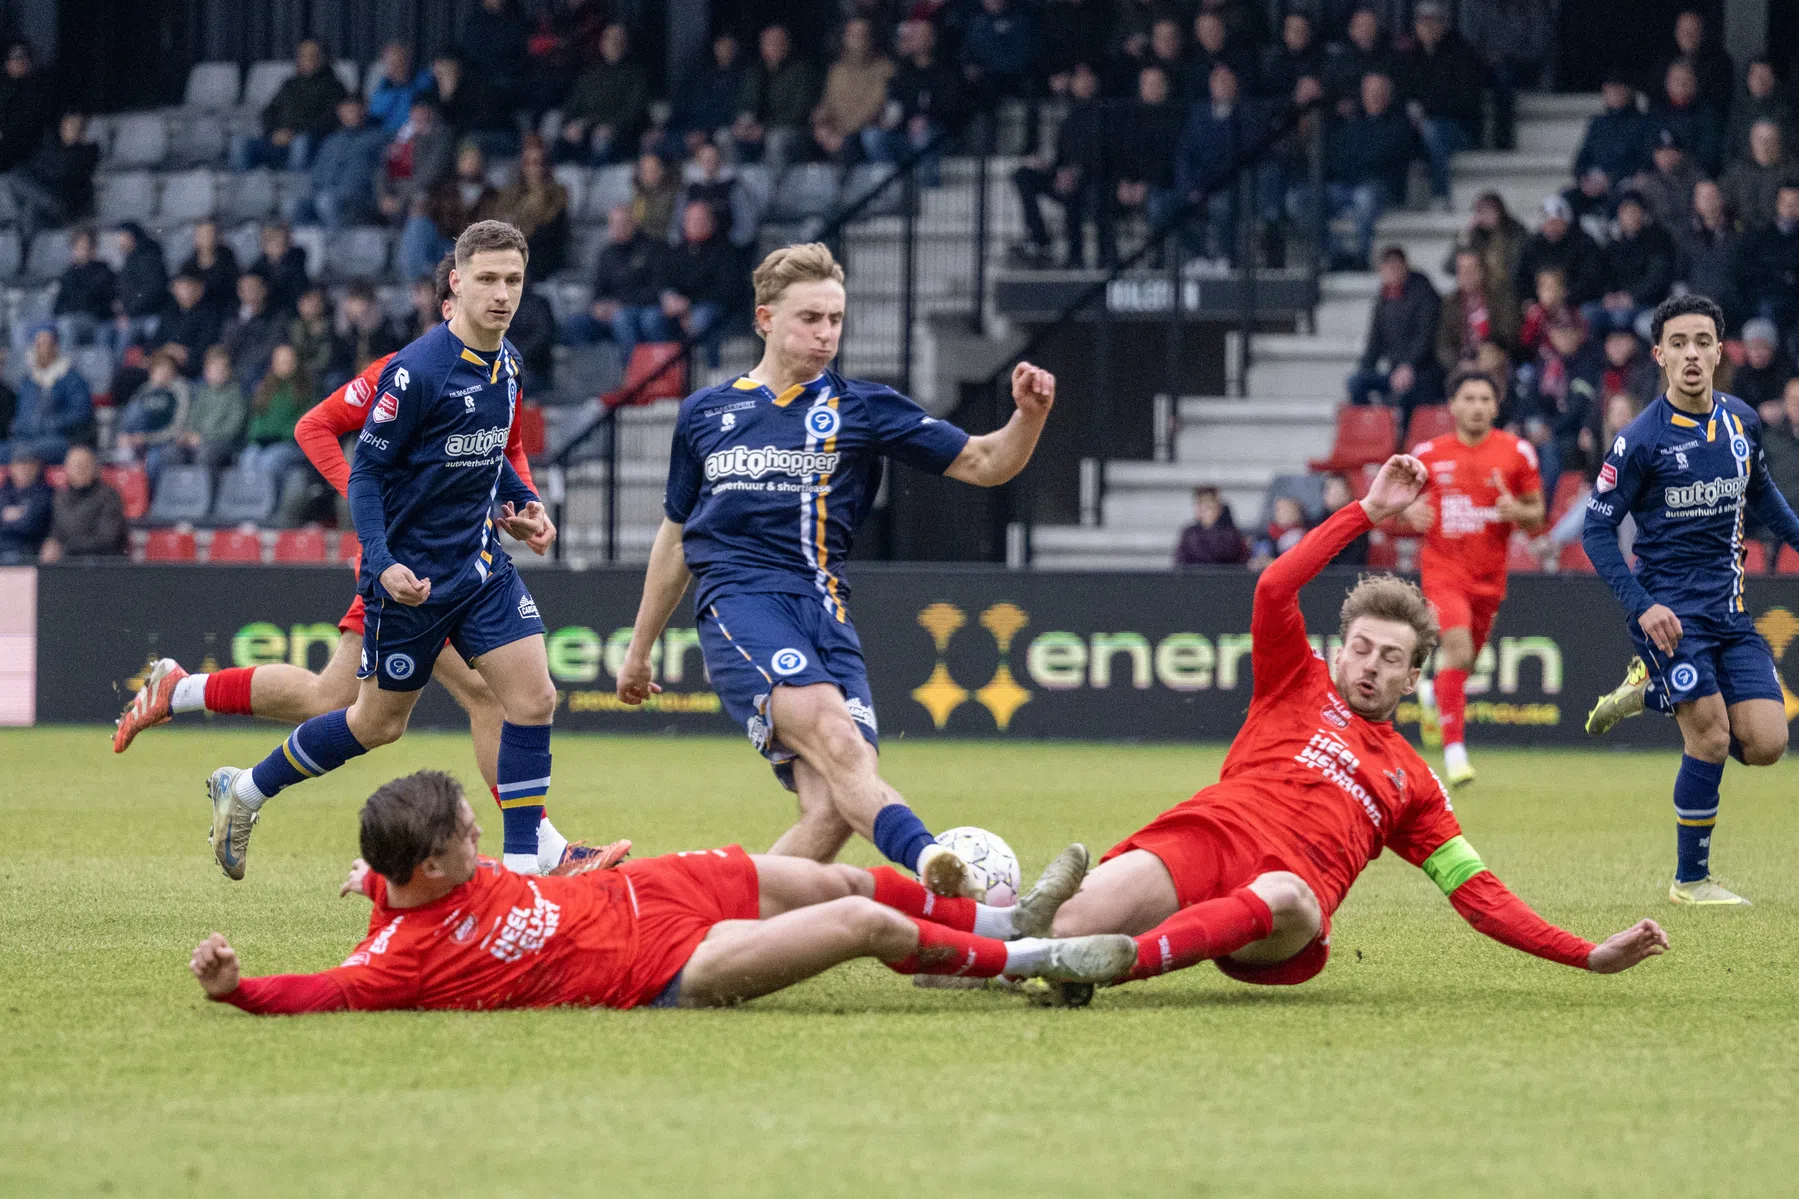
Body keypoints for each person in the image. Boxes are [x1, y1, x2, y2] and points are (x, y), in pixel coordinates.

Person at [1028, 454, 1667, 1004]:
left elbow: (1478, 893)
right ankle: (985, 957)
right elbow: (1275, 586)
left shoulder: (1414, 784)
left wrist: (1585, 954)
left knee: (1286, 892)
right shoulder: (1292, 678)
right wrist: (1368, 510)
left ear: (1413, 676)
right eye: (1360, 649)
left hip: (1282, 918)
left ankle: (1120, 961)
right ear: (1338, 653)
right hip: (1208, 837)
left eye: (1391, 659)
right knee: (1062, 927)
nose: (1370, 666)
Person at [117, 259, 598, 869]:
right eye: (482, 288)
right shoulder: (405, 373)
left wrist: (518, 502)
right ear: (448, 298)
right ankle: (544, 855)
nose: (497, 300)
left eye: (510, 285)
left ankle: (186, 698)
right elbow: (317, 427)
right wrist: (376, 516)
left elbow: (504, 445)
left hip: (458, 557)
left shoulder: (498, 367)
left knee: (352, 700)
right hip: (403, 562)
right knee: (427, 704)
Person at [617, 243, 1056, 898]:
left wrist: (1030, 414)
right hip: (742, 604)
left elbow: (985, 463)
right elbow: (675, 538)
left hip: (824, 612)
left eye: (835, 319)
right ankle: (940, 868)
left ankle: (713, 936)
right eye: (809, 318)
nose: (825, 334)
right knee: (838, 741)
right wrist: (640, 648)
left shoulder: (862, 408)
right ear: (765, 319)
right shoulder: (704, 413)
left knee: (834, 809)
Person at [188, 771, 1130, 1013]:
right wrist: (237, 986)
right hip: (662, 963)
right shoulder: (400, 959)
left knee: (839, 871)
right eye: (465, 834)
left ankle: (1001, 919)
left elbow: (389, 888)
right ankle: (1030, 959)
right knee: (859, 919)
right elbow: (322, 988)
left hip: (659, 886)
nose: (485, 834)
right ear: (429, 866)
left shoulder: (409, 885)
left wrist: (375, 883)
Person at [1582, 294, 1799, 905]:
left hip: (1730, 614)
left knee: (1766, 743)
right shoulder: (1639, 440)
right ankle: (1691, 881)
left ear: (1720, 351)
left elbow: (1765, 499)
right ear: (1659, 355)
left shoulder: (1741, 422)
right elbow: (1597, 531)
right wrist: (1642, 605)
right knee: (1709, 738)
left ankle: (1644, 692)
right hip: (1669, 620)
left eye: (1702, 341)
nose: (1691, 354)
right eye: (1678, 343)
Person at [1400, 370, 1544, 786]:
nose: (1477, 406)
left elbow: (1537, 516)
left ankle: (1432, 694)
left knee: (1464, 664)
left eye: (1485, 398)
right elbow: (1389, 502)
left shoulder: (1517, 452)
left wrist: (1518, 512)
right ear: (1453, 405)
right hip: (1443, 571)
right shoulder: (1427, 454)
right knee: (1458, 652)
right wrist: (1408, 512)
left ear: (1496, 406)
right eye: (1469, 398)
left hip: (1490, 577)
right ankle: (1455, 754)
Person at [1011, 62, 1104, 269]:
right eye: (1079, 79)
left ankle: (1075, 256)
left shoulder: (1104, 111)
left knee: (1075, 194)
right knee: (1022, 175)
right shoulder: (1065, 109)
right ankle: (1038, 235)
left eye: (1088, 79)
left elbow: (1100, 151)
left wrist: (1074, 171)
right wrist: (1045, 164)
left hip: (1090, 177)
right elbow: (1058, 148)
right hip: (1060, 172)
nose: (1084, 83)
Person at [1395, 1, 1484, 211]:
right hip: (1419, 126)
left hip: (1459, 129)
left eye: (1432, 22)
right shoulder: (1412, 57)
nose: (1427, 28)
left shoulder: (1462, 53)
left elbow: (1465, 101)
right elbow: (1404, 92)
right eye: (1422, 23)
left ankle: (1441, 195)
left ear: (1443, 24)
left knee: (1432, 131)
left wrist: (1426, 112)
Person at [1321, 72, 1413, 270]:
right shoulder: (1350, 123)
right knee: (1299, 199)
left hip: (1379, 188)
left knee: (1364, 197)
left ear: (1388, 94)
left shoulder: (1399, 123)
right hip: (1345, 187)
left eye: (1378, 91)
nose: (1373, 96)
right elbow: (1335, 159)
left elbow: (1384, 159)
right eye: (1369, 91)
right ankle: (1337, 253)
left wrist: (1357, 163)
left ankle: (1362, 258)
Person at [1346, 246, 1440, 425]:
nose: (1392, 273)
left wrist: (1409, 366)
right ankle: (1372, 431)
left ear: (1405, 267)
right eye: (1387, 269)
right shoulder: (1383, 299)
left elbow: (1425, 336)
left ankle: (1401, 441)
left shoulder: (1424, 295)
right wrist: (1365, 369)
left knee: (1405, 394)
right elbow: (1374, 342)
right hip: (1394, 371)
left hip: (1423, 372)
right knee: (1356, 383)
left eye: (1395, 267)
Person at [231, 40, 346, 172]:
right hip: (278, 140)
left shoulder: (335, 87)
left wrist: (294, 134)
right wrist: (274, 132)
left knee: (301, 143)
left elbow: (329, 120)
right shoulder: (290, 84)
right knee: (239, 143)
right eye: (302, 55)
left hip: (309, 143)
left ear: (323, 58)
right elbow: (268, 112)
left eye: (312, 55)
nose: (305, 60)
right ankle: (243, 188)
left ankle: (295, 188)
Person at [652, 201, 738, 368]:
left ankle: (701, 373)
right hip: (679, 307)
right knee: (652, 319)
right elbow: (663, 280)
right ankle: (665, 373)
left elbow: (728, 290)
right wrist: (670, 298)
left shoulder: (725, 251)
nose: (696, 224)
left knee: (700, 320)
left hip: (712, 306)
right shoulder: (676, 251)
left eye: (701, 220)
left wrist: (689, 304)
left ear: (712, 222)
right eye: (691, 220)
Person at [400, 140, 496, 281]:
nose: (470, 164)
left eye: (475, 159)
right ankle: (416, 285)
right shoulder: (444, 190)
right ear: (458, 163)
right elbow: (430, 212)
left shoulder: (492, 195)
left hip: (472, 251)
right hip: (444, 245)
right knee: (418, 223)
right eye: (466, 159)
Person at [288, 96, 388, 229]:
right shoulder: (331, 141)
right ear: (340, 113)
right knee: (294, 205)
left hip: (361, 201)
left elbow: (387, 171)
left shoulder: (380, 139)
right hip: (328, 197)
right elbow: (317, 175)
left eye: (356, 110)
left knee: (326, 202)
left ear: (365, 110)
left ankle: (336, 248)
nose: (353, 114)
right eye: (349, 110)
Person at [558, 22, 650, 166]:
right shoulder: (590, 74)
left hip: (617, 133)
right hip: (585, 129)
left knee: (600, 142)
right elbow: (572, 105)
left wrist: (613, 127)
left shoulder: (636, 75)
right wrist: (569, 125)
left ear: (625, 44)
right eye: (608, 38)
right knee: (559, 142)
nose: (613, 43)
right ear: (601, 43)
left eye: (617, 39)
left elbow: (634, 111)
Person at [733, 25, 821, 172]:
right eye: (769, 43)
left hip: (794, 131)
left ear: (788, 44)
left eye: (779, 42)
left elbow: (800, 113)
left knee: (776, 140)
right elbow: (746, 103)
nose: (775, 46)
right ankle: (733, 188)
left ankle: (775, 190)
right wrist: (742, 123)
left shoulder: (802, 71)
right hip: (757, 129)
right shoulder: (755, 72)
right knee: (726, 137)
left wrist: (765, 128)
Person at [8, 111, 99, 246]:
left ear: (82, 130)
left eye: (75, 126)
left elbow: (64, 175)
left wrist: (42, 180)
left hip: (67, 205)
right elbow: (32, 168)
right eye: (67, 124)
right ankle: (27, 255)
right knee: (25, 194)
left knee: (31, 201)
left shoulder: (88, 152)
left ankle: (26, 256)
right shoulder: (51, 147)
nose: (69, 128)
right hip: (47, 201)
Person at [1588, 191, 1675, 330]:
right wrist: (1609, 295)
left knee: (1620, 318)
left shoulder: (1658, 240)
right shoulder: (1613, 244)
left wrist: (1632, 297)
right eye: (1625, 212)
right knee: (1588, 315)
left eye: (1634, 210)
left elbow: (1656, 279)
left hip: (1647, 302)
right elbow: (1604, 275)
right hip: (1617, 302)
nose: (1630, 216)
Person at [5, 326, 93, 463]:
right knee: (10, 450)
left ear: (56, 346)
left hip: (59, 438)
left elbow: (81, 414)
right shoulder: (28, 381)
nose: (42, 349)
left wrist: (51, 423)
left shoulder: (72, 378)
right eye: (39, 344)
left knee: (30, 452)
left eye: (47, 343)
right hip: (26, 439)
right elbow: (22, 414)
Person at [488, 136, 569, 276]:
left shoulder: (557, 194)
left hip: (542, 257)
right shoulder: (511, 195)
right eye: (530, 163)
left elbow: (550, 229)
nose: (535, 169)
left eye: (540, 163)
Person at [812, 17, 891, 159]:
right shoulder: (836, 71)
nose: (858, 40)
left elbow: (875, 107)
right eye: (853, 35)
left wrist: (841, 134)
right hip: (835, 136)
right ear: (845, 38)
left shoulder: (885, 69)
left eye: (863, 35)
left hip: (861, 134)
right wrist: (821, 126)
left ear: (871, 39)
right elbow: (827, 105)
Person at [162, 345, 247, 473]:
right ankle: (177, 491)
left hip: (224, 444)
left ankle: (203, 492)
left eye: (221, 369)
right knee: (170, 452)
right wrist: (187, 435)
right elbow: (191, 419)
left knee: (205, 454)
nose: (218, 372)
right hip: (198, 441)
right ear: (206, 372)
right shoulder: (202, 394)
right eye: (214, 369)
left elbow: (232, 430)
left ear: (228, 371)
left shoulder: (236, 395)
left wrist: (203, 438)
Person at [375, 98, 455, 232]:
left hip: (425, 193)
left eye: (424, 110)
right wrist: (383, 196)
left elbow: (432, 173)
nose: (419, 114)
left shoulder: (442, 136)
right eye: (416, 110)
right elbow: (384, 170)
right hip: (397, 195)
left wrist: (401, 199)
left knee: (419, 202)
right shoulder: (402, 136)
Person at [38, 443, 124, 561]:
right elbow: (56, 531)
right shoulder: (60, 497)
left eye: (84, 465)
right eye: (74, 465)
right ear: (66, 469)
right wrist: (51, 543)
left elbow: (108, 538)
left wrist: (66, 547)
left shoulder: (108, 496)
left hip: (100, 564)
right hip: (66, 561)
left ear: (95, 469)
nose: (79, 470)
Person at [1572, 75, 1652, 201]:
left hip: (1625, 185)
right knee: (1561, 201)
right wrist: (1584, 178)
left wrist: (1611, 179)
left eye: (1619, 90)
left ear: (1629, 91)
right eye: (1610, 90)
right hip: (1593, 184)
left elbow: (1644, 160)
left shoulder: (1643, 123)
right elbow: (1581, 160)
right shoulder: (1597, 123)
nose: (1615, 94)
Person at [1514, 194, 1605, 306]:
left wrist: (1565, 297)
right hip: (1542, 302)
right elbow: (1520, 277)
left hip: (1579, 302)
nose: (1553, 227)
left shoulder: (1584, 243)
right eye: (1549, 223)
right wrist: (1533, 298)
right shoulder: (1531, 246)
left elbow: (1591, 279)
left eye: (1557, 222)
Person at [1436, 248, 1518, 370]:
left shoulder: (1500, 299)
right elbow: (1443, 345)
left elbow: (1510, 334)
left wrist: (1496, 353)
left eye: (1471, 269)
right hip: (1462, 366)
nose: (1466, 274)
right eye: (1462, 270)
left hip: (1495, 362)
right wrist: (1459, 364)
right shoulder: (1449, 303)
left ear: (1482, 271)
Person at [238, 343, 309, 480]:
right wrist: (261, 436)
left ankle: (268, 501)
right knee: (247, 459)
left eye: (288, 361)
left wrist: (276, 435)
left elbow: (304, 424)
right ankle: (250, 501)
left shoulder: (304, 391)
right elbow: (256, 420)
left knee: (268, 462)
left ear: (296, 363)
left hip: (290, 445)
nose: (285, 365)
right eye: (281, 362)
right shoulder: (264, 389)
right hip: (262, 443)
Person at [115, 350, 190, 478]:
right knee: (135, 409)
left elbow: (177, 427)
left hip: (162, 441)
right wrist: (128, 436)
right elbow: (131, 415)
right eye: (160, 370)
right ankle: (125, 442)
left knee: (154, 460)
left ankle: (151, 495)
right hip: (137, 438)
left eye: (167, 371)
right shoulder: (145, 391)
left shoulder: (179, 391)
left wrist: (145, 438)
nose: (163, 374)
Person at [1737, 181, 1799, 330]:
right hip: (1770, 296)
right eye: (1785, 202)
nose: (1790, 207)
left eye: (1795, 202)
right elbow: (1752, 272)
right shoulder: (1762, 236)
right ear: (1777, 203)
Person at [50, 226, 116, 351]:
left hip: (93, 321)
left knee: (67, 324)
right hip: (67, 316)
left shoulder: (103, 272)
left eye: (84, 247)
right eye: (77, 247)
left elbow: (96, 303)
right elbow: (58, 304)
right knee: (24, 327)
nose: (80, 251)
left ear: (93, 249)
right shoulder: (68, 273)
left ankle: (66, 365)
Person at [1651, 61, 1722, 177]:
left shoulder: (1707, 113)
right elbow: (1646, 146)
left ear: (1694, 84)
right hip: (1657, 174)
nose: (1681, 85)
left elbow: (1710, 153)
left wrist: (1681, 158)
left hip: (1692, 174)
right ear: (1667, 83)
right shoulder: (1656, 112)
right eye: (1676, 80)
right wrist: (1656, 157)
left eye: (1686, 80)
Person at [1723, 58, 1794, 168]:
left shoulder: (1786, 112)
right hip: (1743, 173)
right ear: (1748, 80)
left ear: (1773, 79)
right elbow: (1729, 150)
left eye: (1765, 75)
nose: (1760, 80)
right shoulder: (1738, 112)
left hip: (1780, 172)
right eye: (1756, 75)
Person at [1721, 120, 1789, 233]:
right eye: (1759, 139)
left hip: (1779, 237)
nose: (1764, 145)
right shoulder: (1735, 173)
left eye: (1769, 140)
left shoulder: (1791, 174)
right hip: (1742, 234)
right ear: (1751, 142)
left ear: (1778, 143)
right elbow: (1726, 206)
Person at [154, 273, 222, 377]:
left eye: (187, 286)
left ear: (200, 289)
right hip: (161, 363)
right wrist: (166, 349)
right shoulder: (169, 311)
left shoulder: (210, 313)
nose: (184, 291)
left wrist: (184, 354)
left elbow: (207, 346)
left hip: (190, 368)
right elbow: (155, 341)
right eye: (179, 287)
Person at [222, 272, 283, 387]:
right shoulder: (233, 317)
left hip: (260, 370)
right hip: (232, 368)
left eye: (253, 288)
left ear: (264, 290)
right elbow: (227, 344)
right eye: (244, 289)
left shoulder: (275, 316)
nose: (249, 292)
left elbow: (269, 347)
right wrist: (243, 321)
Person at [115, 222, 168, 345]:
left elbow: (153, 291)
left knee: (126, 332)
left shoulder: (148, 258)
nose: (119, 240)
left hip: (151, 314)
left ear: (131, 237)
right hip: (133, 315)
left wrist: (129, 314)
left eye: (122, 236)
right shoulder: (130, 260)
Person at [366, 42, 434, 136]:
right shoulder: (383, 85)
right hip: (380, 136)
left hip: (409, 136)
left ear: (408, 62)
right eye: (390, 64)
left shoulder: (424, 82)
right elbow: (374, 115)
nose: (393, 69)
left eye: (398, 63)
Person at [178, 220, 241, 319]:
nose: (207, 239)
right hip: (196, 314)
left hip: (222, 312)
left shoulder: (228, 262)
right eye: (202, 235)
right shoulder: (188, 266)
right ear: (196, 238)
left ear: (219, 237)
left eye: (210, 234)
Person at [1174, 485, 1248, 566]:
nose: (1203, 511)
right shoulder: (1189, 534)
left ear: (1218, 508)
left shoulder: (1230, 534)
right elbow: (1180, 561)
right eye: (1200, 506)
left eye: (1208, 507)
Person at [1732, 318, 1793, 412]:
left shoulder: (1785, 370)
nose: (1757, 353)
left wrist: (1783, 407)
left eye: (1763, 347)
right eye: (1753, 348)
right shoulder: (1740, 375)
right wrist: (1759, 411)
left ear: (1773, 349)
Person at [1248, 495, 1310, 567]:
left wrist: (1272, 562)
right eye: (1278, 509)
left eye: (1287, 510)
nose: (1281, 513)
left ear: (1297, 513)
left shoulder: (1301, 536)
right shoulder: (1267, 534)